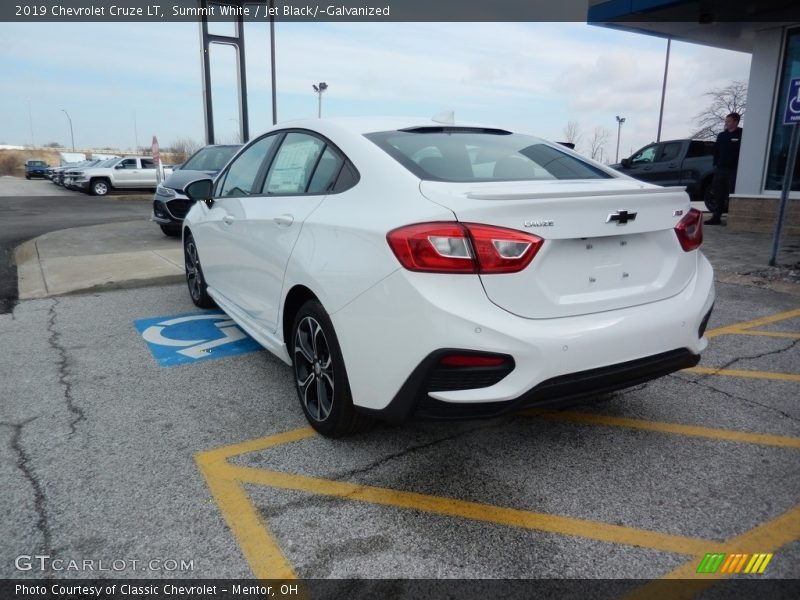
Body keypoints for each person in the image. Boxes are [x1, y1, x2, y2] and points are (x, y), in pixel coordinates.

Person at [705, 112, 743, 225]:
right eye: (726, 121)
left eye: (729, 121)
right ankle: (716, 218)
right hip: (720, 169)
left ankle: (734, 218)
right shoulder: (722, 135)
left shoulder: (742, 134)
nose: (726, 123)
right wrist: (715, 164)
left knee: (732, 193)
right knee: (718, 193)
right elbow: (716, 151)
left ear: (736, 122)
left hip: (734, 169)